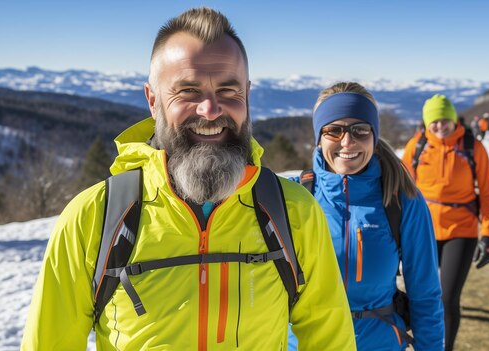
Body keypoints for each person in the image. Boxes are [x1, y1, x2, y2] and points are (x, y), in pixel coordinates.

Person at [21, 8, 356, 351]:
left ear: (248, 95)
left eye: (228, 90)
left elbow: (330, 339)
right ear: (153, 101)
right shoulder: (94, 217)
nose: (210, 111)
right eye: (188, 91)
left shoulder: (293, 212)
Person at [287, 82, 444, 351]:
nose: (347, 142)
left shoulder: (401, 200)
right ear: (319, 137)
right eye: (333, 130)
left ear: (373, 136)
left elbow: (425, 294)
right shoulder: (294, 197)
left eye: (359, 130)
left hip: (379, 342)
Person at [402, 94, 489, 351]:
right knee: (419, 296)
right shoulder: (416, 147)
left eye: (445, 119)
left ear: (454, 118)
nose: (440, 125)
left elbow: (488, 194)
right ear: (426, 122)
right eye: (434, 121)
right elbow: (399, 193)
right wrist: (396, 237)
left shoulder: (472, 146)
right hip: (423, 231)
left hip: (462, 230)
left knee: (447, 298)